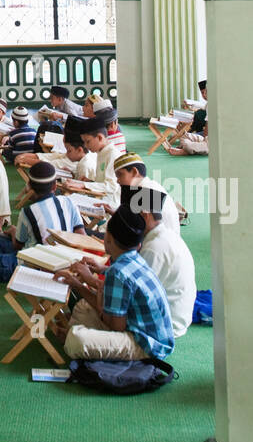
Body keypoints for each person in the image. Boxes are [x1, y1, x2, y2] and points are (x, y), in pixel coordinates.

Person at [57, 205, 174, 362]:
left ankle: (72, 338)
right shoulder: (135, 258)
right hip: (148, 333)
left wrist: (80, 285)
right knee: (83, 307)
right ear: (138, 244)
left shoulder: (117, 273)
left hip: (146, 345)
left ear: (108, 239)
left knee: (77, 339)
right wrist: (93, 277)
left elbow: (115, 327)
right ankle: (78, 336)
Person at [0, 159, 83, 282]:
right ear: (55, 186)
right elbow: (81, 235)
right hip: (66, 262)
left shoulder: (28, 211)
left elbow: (17, 245)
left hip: (34, 266)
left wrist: (13, 231)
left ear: (30, 186)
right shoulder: (70, 202)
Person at [127, 185, 196, 337]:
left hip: (166, 325)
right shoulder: (165, 236)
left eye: (131, 217)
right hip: (176, 315)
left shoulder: (155, 248)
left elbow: (135, 294)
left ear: (145, 215)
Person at [105, 153, 182, 234]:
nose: (118, 181)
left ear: (134, 172)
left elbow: (136, 232)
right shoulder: (149, 186)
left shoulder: (147, 192)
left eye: (120, 175)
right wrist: (114, 212)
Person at [63, 117, 120, 203]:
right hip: (101, 199)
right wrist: (91, 182)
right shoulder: (100, 152)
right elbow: (103, 181)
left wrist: (83, 185)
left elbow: (112, 186)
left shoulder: (113, 155)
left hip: (111, 204)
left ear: (100, 138)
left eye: (88, 141)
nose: (85, 146)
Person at [33, 85, 84, 149]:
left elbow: (75, 120)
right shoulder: (60, 106)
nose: (50, 100)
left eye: (52, 98)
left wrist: (60, 116)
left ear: (60, 99)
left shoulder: (68, 106)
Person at [166, 81, 208, 155]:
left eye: (206, 92)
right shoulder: (208, 105)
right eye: (202, 93)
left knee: (192, 145)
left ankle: (186, 151)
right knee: (185, 136)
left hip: (214, 141)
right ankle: (191, 148)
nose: (204, 95)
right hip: (206, 138)